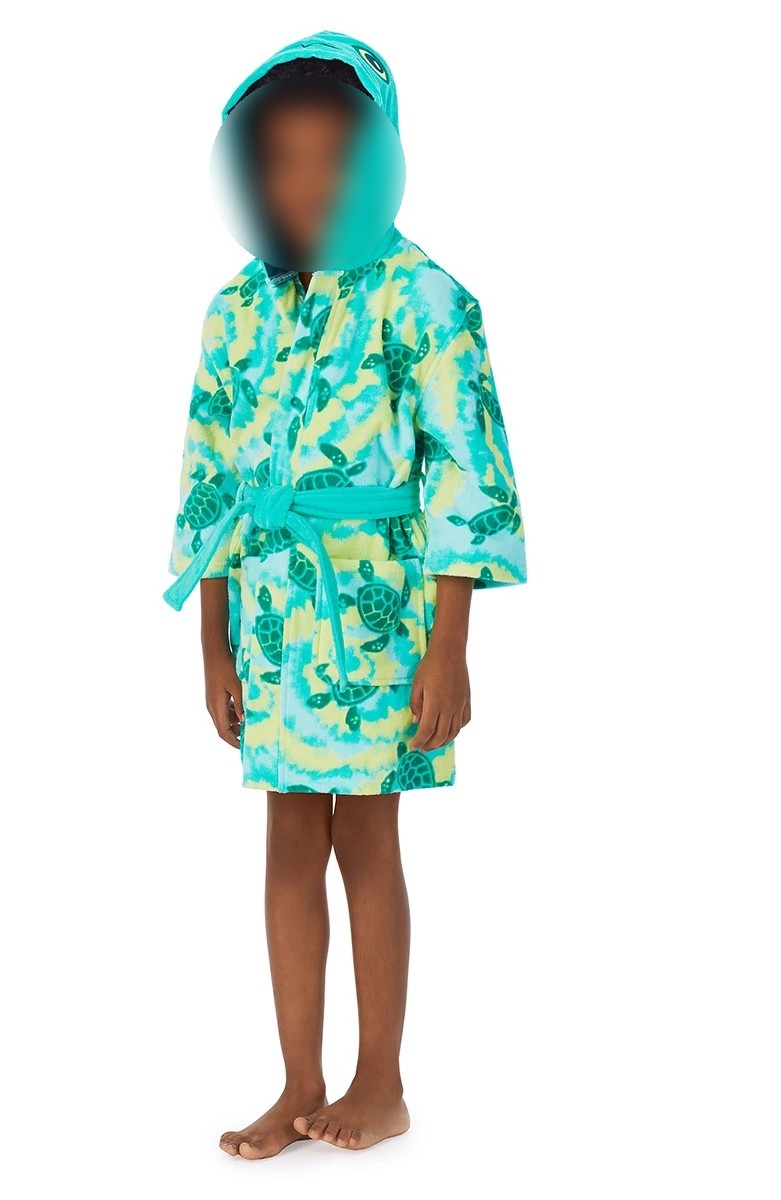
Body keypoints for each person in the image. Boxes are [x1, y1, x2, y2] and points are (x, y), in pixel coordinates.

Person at [164, 31, 527, 1159]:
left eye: (335, 155)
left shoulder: (427, 299)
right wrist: (214, 640)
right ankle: (297, 1081)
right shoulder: (236, 311)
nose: (308, 182)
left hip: (380, 622)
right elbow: (212, 478)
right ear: (248, 170)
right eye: (282, 159)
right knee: (285, 831)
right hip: (271, 619)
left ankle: (382, 1080)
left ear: (380, 159)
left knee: (367, 831)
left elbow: (466, 473)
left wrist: (450, 648)